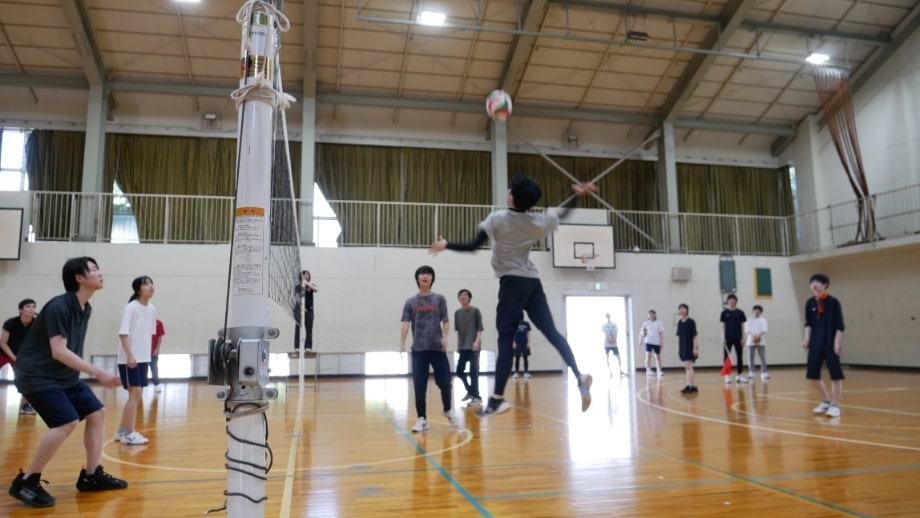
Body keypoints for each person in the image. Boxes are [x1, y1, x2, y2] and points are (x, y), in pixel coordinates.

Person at [430, 173, 594, 416]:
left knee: (505, 337)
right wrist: (576, 196)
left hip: (511, 283)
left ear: (510, 196)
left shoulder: (497, 219)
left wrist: (447, 245)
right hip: (532, 282)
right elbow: (562, 213)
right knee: (551, 332)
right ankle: (579, 375)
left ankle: (497, 399)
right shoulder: (538, 221)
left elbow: (474, 246)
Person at [8, 257, 127, 508]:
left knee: (97, 413)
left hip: (62, 377)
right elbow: (59, 351)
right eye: (93, 269)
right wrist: (98, 372)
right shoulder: (59, 306)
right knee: (66, 422)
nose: (100, 273)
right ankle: (27, 481)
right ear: (79, 278)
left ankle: (92, 475)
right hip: (36, 375)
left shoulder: (85, 308)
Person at [400, 266, 457, 432]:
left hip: (437, 349)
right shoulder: (410, 302)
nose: (425, 276)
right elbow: (405, 323)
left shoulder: (440, 299)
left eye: (428, 274)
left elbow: (446, 320)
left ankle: (447, 409)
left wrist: (445, 338)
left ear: (432, 278)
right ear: (417, 278)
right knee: (419, 386)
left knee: (445, 383)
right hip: (418, 350)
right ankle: (422, 420)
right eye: (422, 274)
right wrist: (402, 343)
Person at [114, 276, 157, 446]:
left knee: (136, 395)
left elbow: (149, 334)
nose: (151, 286)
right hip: (129, 359)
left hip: (143, 358)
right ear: (138, 290)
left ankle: (121, 431)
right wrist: (130, 355)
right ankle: (128, 433)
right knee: (135, 394)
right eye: (146, 284)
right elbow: (123, 334)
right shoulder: (131, 308)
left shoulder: (152, 308)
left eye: (151, 283)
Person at [802, 274, 845, 418]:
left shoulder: (833, 302)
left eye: (818, 282)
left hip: (830, 343)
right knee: (813, 374)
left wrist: (836, 342)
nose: (815, 284)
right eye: (812, 282)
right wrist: (807, 338)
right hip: (815, 343)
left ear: (825, 284)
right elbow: (808, 323)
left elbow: (840, 325)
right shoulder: (810, 303)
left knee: (835, 375)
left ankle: (835, 405)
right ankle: (825, 401)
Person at [1, 298, 38, 415]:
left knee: (28, 379)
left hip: (23, 356)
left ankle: (25, 406)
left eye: (33, 307)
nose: (31, 309)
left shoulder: (37, 324)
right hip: (4, 352)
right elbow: (3, 343)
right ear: (20, 310)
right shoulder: (10, 323)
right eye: (28, 306)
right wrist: (14, 358)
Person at [454, 289, 484, 406]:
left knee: (473, 372)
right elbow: (458, 332)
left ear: (469, 298)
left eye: (465, 295)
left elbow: (480, 328)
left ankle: (477, 397)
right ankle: (470, 391)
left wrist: (476, 342)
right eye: (460, 295)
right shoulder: (457, 313)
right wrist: (458, 346)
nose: (463, 296)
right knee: (459, 371)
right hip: (463, 347)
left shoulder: (475, 311)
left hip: (474, 347)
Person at [720, 294, 747, 383]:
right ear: (727, 302)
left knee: (739, 356)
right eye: (730, 300)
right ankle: (727, 376)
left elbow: (743, 326)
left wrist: (743, 337)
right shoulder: (724, 313)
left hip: (738, 338)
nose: (731, 301)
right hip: (727, 338)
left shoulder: (740, 313)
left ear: (736, 301)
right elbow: (723, 326)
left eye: (733, 299)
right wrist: (723, 337)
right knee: (726, 357)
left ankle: (739, 375)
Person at [291, 270, 318, 357]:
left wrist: (305, 283)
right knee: (298, 328)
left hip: (309, 311)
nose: (306, 276)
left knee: (309, 329)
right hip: (299, 311)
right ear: (301, 276)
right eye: (304, 275)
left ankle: (308, 347)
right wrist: (301, 305)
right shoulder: (298, 287)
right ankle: (297, 346)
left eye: (307, 275)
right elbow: (297, 296)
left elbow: (315, 289)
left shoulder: (311, 285)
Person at [676, 304, 699, 394]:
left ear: (687, 310)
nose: (681, 310)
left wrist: (695, 348)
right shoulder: (680, 323)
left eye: (683, 308)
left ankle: (691, 386)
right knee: (687, 367)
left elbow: (695, 336)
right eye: (680, 308)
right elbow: (680, 337)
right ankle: (690, 384)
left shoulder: (691, 322)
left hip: (690, 347)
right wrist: (679, 350)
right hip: (683, 348)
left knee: (689, 367)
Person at [745, 305, 769, 380]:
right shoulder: (748, 319)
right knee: (750, 358)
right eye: (755, 310)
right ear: (753, 311)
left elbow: (764, 329)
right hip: (750, 341)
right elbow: (747, 330)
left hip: (761, 341)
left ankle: (764, 373)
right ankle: (752, 373)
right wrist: (752, 336)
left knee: (762, 357)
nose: (757, 311)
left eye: (759, 310)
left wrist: (758, 336)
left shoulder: (763, 320)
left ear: (761, 312)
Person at [639, 310, 664, 377]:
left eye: (652, 314)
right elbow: (643, 333)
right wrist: (640, 340)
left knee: (657, 357)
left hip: (656, 342)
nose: (651, 315)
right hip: (648, 341)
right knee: (648, 356)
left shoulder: (659, 323)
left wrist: (661, 342)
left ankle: (659, 371)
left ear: (655, 315)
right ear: (648, 316)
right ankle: (648, 370)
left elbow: (661, 333)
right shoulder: (646, 323)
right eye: (650, 314)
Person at [150, 319, 165, 392]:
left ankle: (156, 384)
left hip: (153, 351)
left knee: (154, 368)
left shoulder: (158, 323)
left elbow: (160, 336)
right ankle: (140, 386)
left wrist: (157, 348)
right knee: (141, 370)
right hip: (142, 352)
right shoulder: (141, 321)